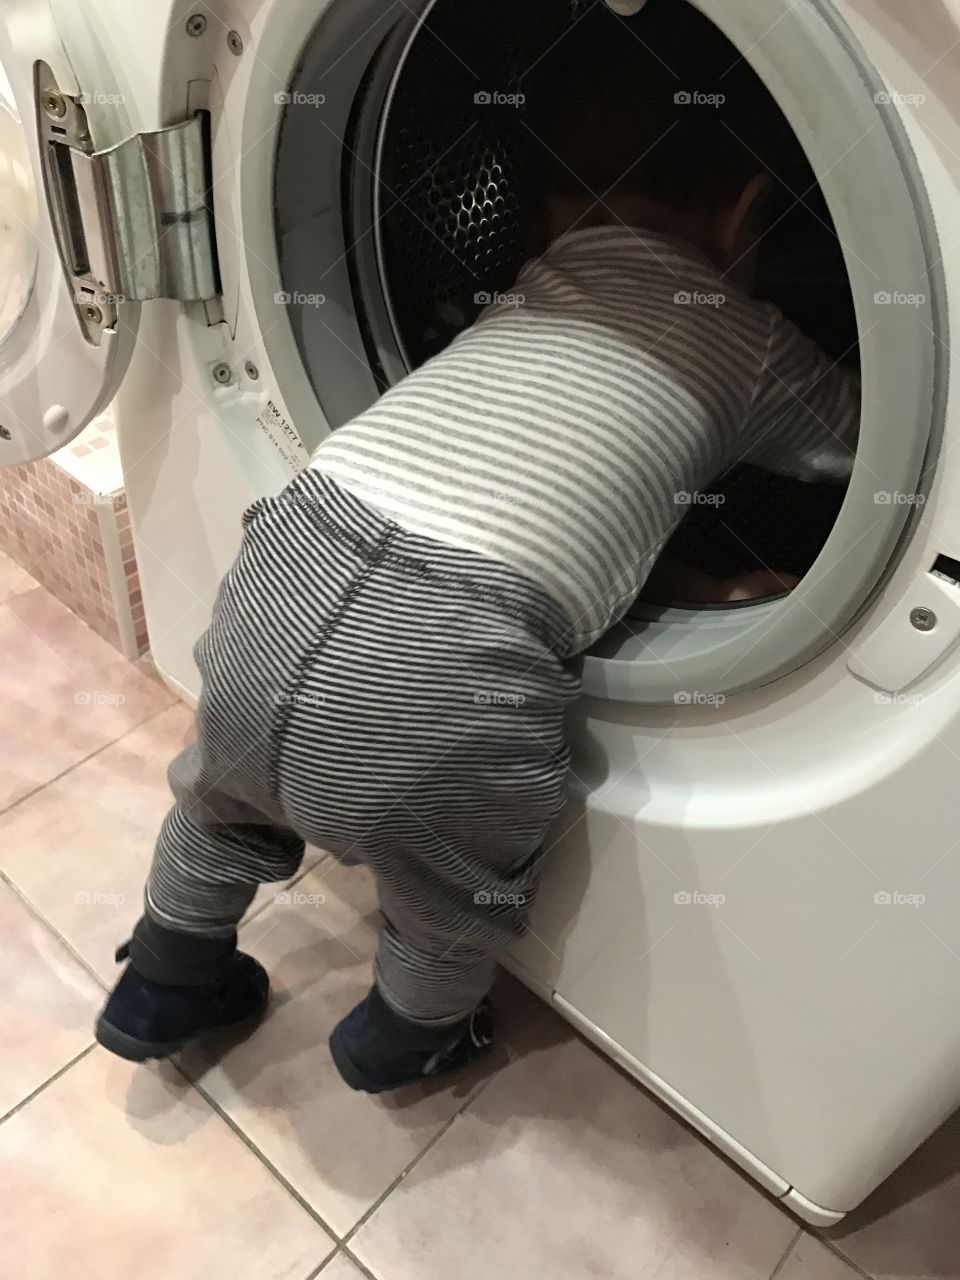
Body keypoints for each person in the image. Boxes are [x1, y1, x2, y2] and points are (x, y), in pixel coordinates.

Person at [94, 3, 860, 1091]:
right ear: (745, 216)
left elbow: (529, 496)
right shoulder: (748, 343)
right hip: (447, 677)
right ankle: (405, 1034)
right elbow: (863, 449)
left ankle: (165, 974)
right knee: (457, 889)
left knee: (219, 796)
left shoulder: (526, 290)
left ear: (542, 210)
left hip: (286, 567)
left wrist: (691, 573)